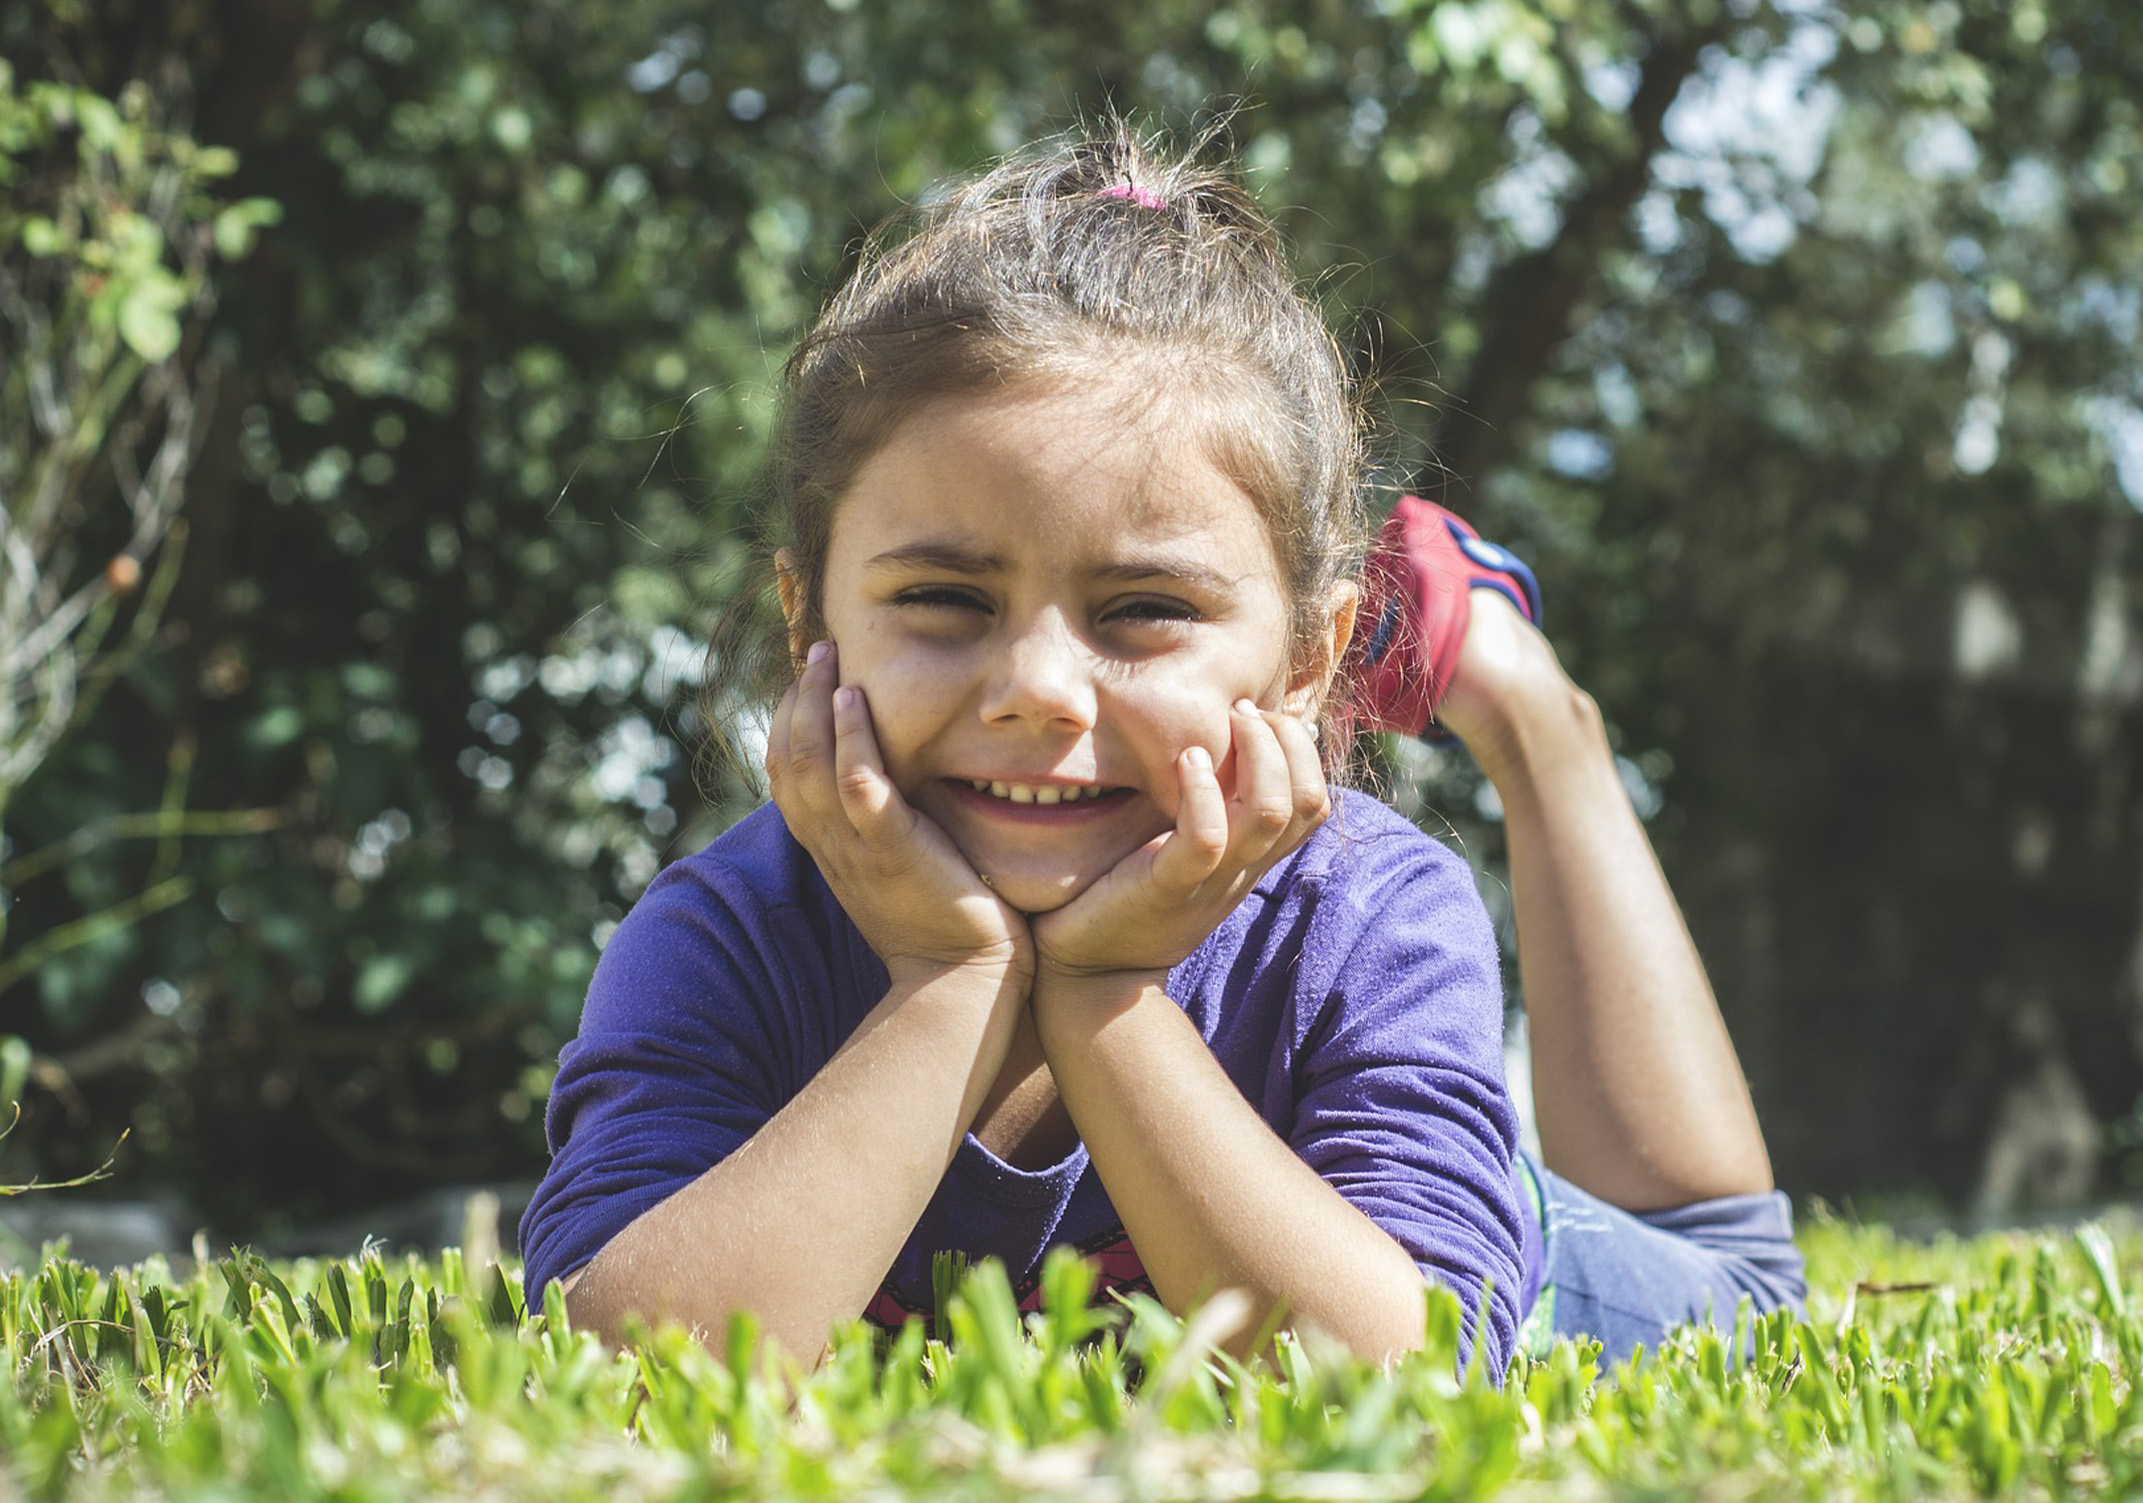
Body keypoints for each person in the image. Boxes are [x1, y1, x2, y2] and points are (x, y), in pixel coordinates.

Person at [518, 124, 1803, 1380]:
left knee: (1745, 1281)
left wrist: (1103, 994)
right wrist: (948, 977)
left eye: (1145, 610)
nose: (1037, 692)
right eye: (945, 600)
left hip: (1546, 1257)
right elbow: (612, 1366)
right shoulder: (726, 932)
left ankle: (1517, 692)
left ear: (1308, 658)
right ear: (811, 620)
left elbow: (1396, 1383)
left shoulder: (1371, 911)